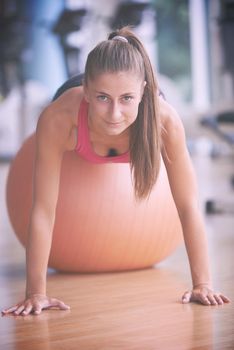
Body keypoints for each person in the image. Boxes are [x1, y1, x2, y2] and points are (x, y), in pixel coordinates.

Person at [2, 26, 230, 316]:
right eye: (102, 98)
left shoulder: (165, 122)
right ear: (87, 91)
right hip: (73, 103)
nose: (114, 114)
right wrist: (36, 293)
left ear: (144, 93)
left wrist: (203, 284)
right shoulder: (60, 118)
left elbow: (187, 206)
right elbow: (43, 210)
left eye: (126, 99)